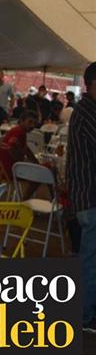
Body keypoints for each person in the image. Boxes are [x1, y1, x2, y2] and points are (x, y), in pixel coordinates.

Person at [66, 62, 96, 333]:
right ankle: (85, 314)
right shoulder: (88, 113)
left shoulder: (85, 110)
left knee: (90, 257)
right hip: (90, 197)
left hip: (86, 197)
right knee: (90, 258)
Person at [0, 111, 39, 199]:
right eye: (30, 122)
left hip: (4, 169)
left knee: (43, 170)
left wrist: (35, 161)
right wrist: (24, 161)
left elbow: (26, 149)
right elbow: (11, 149)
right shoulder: (19, 132)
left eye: (35, 124)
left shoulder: (17, 130)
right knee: (40, 175)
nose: (32, 126)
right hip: (12, 171)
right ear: (21, 121)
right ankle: (24, 200)